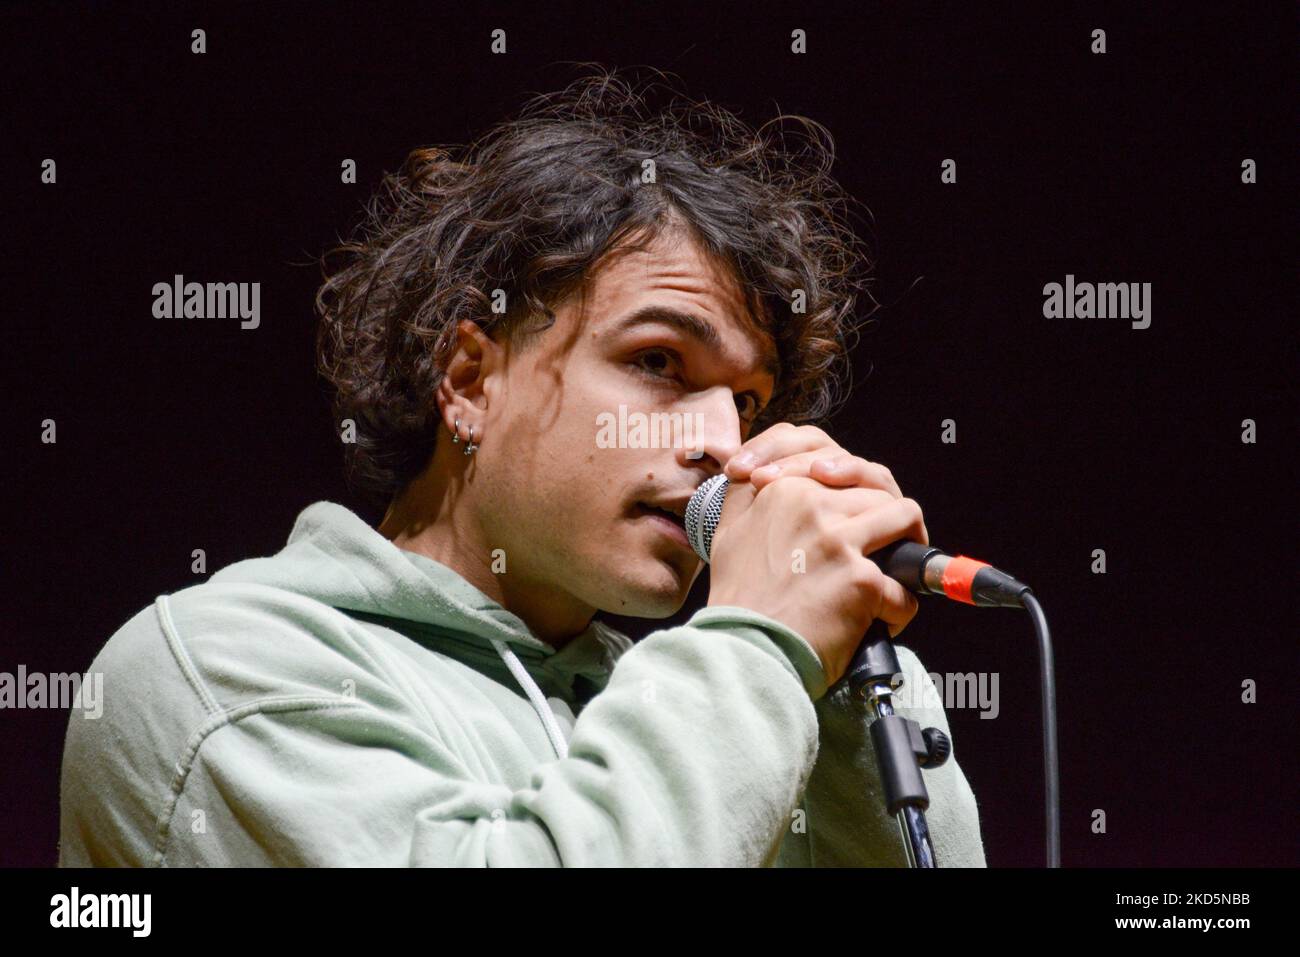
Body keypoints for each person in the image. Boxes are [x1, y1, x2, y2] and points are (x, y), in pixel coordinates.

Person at [58, 69, 987, 867]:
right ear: (470, 380)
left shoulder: (700, 695)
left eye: (748, 402)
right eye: (659, 361)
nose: (726, 445)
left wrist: (849, 689)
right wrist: (759, 639)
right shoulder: (221, 666)